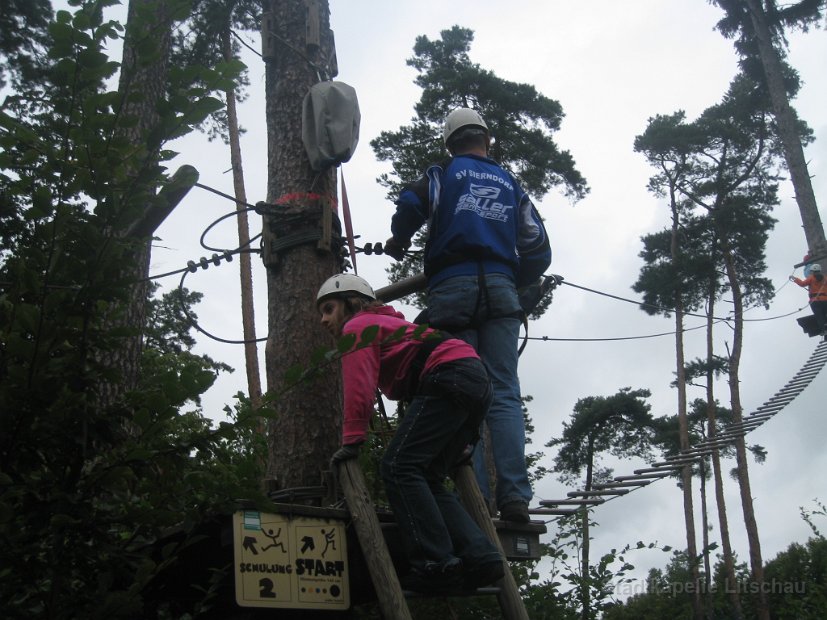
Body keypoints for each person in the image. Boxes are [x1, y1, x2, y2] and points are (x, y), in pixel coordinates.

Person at [384, 108, 551, 523]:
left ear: (450, 143)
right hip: (500, 291)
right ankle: (514, 497)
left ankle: (475, 501)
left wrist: (398, 240)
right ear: (486, 140)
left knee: (464, 390)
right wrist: (515, 281)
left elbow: (409, 204)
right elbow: (538, 247)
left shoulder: (442, 175)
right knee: (504, 391)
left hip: (453, 290)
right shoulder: (512, 185)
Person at [317, 273, 505, 592]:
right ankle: (482, 555)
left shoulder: (358, 327)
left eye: (329, 309)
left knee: (398, 466)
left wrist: (352, 441)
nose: (323, 320)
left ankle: (436, 564)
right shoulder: (393, 327)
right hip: (473, 380)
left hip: (448, 376)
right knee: (427, 475)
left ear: (351, 304)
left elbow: (359, 388)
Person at [791, 263, 827, 339]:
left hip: (815, 301)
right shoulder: (825, 278)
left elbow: (802, 284)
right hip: (825, 300)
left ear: (812, 271)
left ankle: (824, 330)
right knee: (825, 315)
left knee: (819, 316)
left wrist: (794, 279)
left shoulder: (811, 278)